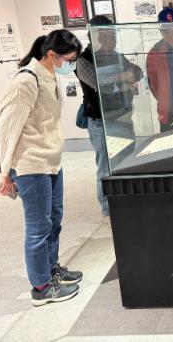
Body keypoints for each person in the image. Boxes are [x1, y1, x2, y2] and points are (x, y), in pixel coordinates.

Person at [0, 29, 84, 306]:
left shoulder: (50, 75)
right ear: (52, 54)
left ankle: (51, 269)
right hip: (31, 164)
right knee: (38, 227)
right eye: (69, 59)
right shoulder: (26, 80)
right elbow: (6, 129)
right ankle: (41, 287)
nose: (71, 64)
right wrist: (6, 172)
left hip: (51, 161)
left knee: (54, 220)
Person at [75, 15, 143, 224]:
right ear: (94, 37)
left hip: (123, 116)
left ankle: (127, 200)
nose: (109, 40)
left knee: (126, 161)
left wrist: (129, 76)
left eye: (112, 35)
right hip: (101, 122)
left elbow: (138, 72)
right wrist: (123, 79)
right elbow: (99, 84)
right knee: (106, 166)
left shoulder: (117, 56)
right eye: (104, 36)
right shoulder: (84, 60)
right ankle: (108, 209)